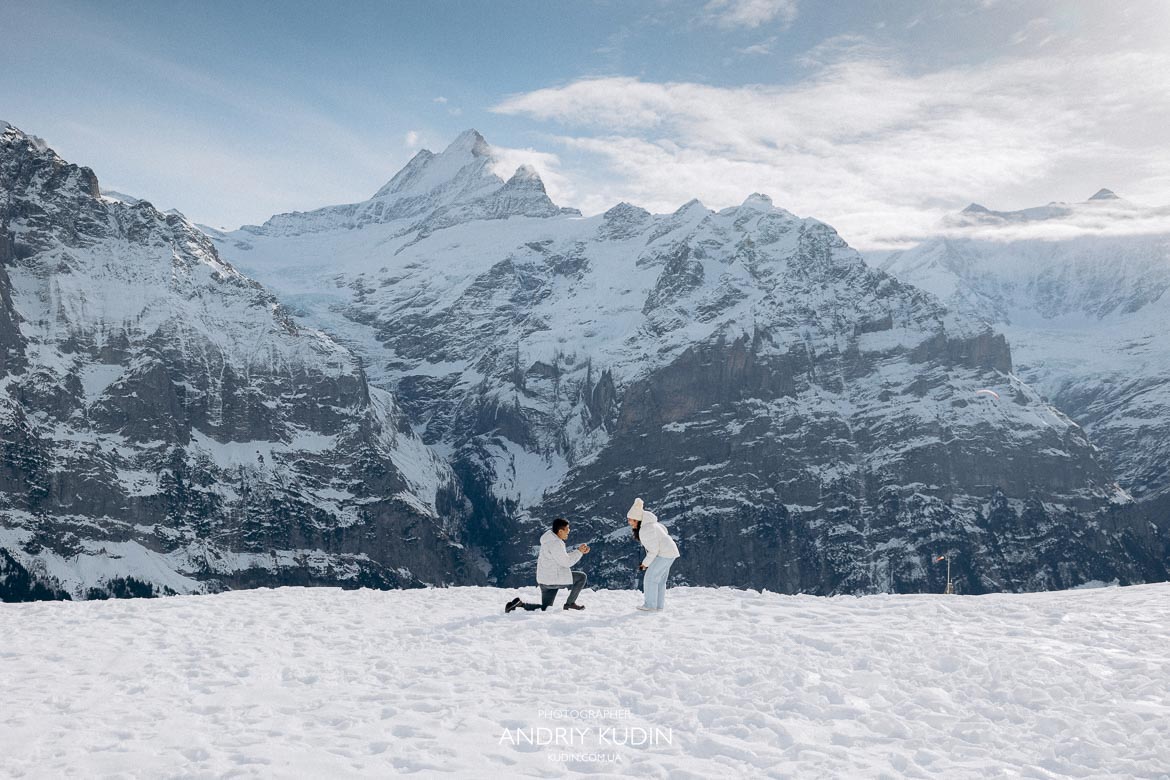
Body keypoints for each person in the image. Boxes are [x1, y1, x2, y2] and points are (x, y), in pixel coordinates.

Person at [505, 518, 590, 612]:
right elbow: (566, 562)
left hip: (544, 580)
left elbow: (561, 558)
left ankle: (519, 605)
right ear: (560, 531)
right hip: (553, 579)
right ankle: (570, 603)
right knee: (581, 577)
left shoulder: (549, 540)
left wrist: (578, 551)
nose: (569, 531)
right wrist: (579, 552)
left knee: (546, 608)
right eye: (567, 529)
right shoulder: (555, 543)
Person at [627, 497, 680, 612]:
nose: (629, 522)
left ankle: (650, 605)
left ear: (637, 520)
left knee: (650, 578)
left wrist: (644, 564)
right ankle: (658, 606)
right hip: (670, 552)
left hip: (664, 554)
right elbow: (664, 531)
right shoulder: (653, 524)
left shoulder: (645, 529)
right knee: (660, 580)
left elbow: (653, 550)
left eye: (631, 520)